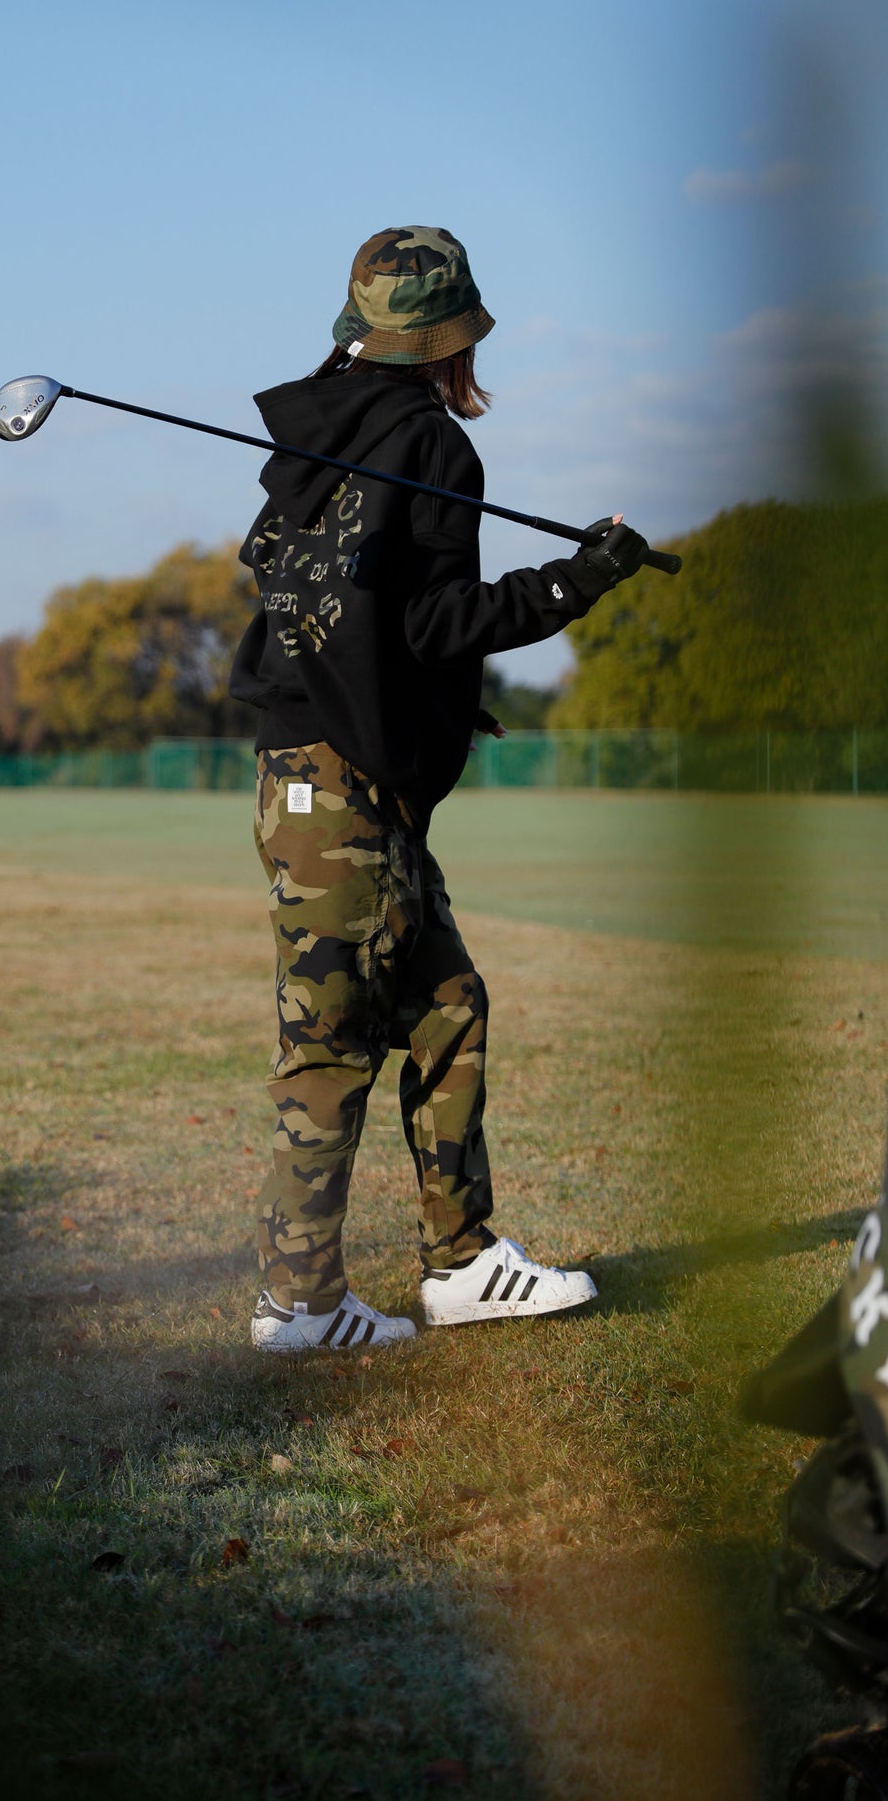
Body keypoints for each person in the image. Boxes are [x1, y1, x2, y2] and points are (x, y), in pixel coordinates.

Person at [229, 227, 649, 1354]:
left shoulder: (316, 442)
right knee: (329, 1040)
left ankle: (460, 1261)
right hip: (337, 789)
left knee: (446, 1003)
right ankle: (298, 1303)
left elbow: (302, 590)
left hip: (316, 779)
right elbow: (429, 625)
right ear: (448, 340)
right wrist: (569, 581)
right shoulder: (425, 445)